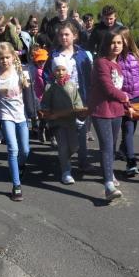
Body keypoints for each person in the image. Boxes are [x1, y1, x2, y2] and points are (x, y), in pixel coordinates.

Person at [0, 42, 36, 201]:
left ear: (13, 56)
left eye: (7, 57)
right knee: (13, 148)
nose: (4, 60)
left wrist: (34, 113)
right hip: (6, 117)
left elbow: (30, 96)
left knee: (25, 150)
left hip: (21, 117)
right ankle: (16, 185)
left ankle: (20, 165)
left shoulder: (23, 72)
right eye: (1, 58)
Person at [42, 21, 93, 182]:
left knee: (81, 135)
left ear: (75, 36)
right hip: (61, 102)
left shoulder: (83, 54)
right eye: (61, 34)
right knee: (64, 138)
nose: (64, 37)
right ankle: (66, 168)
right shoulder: (54, 55)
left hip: (81, 99)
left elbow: (89, 75)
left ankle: (82, 162)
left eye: (67, 34)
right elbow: (46, 76)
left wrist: (90, 98)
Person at [88, 29, 135, 201]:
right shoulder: (101, 63)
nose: (116, 46)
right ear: (106, 44)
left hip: (116, 111)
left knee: (112, 146)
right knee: (107, 146)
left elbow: (119, 90)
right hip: (101, 110)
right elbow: (109, 89)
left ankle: (109, 172)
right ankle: (108, 185)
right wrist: (125, 97)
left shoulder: (118, 64)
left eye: (119, 43)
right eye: (113, 42)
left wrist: (127, 105)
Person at [39, 56, 87, 186]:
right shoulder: (50, 87)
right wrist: (47, 113)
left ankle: (64, 158)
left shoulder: (72, 86)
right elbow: (45, 104)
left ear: (68, 71)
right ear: (53, 72)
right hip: (57, 123)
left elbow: (78, 103)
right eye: (57, 70)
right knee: (63, 146)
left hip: (71, 122)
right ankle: (66, 172)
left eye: (63, 70)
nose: (60, 73)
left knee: (74, 146)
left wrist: (80, 112)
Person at [115, 27, 139, 176]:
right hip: (123, 98)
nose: (120, 44)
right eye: (117, 41)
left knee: (132, 129)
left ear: (128, 39)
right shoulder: (115, 58)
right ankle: (131, 163)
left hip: (137, 97)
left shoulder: (137, 55)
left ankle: (123, 149)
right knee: (127, 128)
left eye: (122, 40)